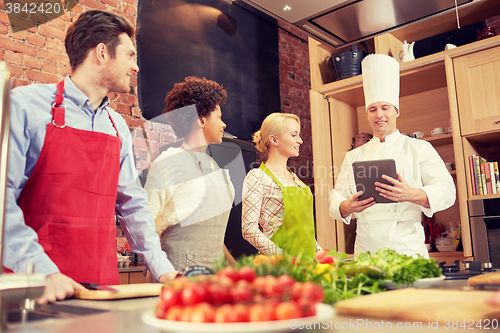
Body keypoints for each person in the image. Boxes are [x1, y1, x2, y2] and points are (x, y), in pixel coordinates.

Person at [5, 10, 177, 304]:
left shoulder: (116, 125)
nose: (135, 67)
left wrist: (163, 271)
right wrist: (43, 272)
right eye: (130, 55)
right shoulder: (25, 106)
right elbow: (1, 201)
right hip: (38, 286)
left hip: (100, 285)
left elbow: (133, 204)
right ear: (101, 53)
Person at [328, 54, 456, 259]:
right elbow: (337, 194)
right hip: (367, 248)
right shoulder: (353, 156)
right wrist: (345, 206)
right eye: (373, 109)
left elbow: (447, 191)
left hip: (406, 245)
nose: (379, 114)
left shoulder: (420, 148)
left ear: (396, 111)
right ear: (367, 114)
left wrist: (411, 194)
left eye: (385, 108)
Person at [144, 77, 236, 271]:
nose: (224, 124)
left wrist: (238, 269)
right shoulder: (169, 162)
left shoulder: (216, 169)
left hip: (215, 278)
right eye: (219, 117)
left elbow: (213, 238)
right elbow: (146, 227)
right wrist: (163, 273)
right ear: (201, 120)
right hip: (177, 275)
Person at [241, 113, 322, 257]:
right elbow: (249, 229)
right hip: (279, 267)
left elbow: (304, 231)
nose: (300, 141)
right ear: (274, 140)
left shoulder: (296, 180)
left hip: (307, 264)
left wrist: (321, 253)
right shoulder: (257, 177)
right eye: (294, 135)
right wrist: (284, 258)